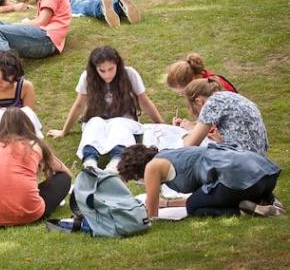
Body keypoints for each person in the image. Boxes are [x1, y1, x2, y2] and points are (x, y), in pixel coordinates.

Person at [48, 46, 164, 171]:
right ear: (95, 68)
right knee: (93, 124)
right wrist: (64, 131)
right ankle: (90, 162)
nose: (107, 74)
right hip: (97, 117)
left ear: (117, 64)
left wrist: (161, 124)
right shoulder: (87, 77)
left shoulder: (130, 74)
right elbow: (79, 105)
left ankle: (116, 161)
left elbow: (144, 101)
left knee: (119, 127)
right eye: (102, 71)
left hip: (124, 118)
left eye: (111, 69)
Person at [117, 144, 284, 218]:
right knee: (199, 200)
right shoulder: (169, 155)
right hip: (264, 175)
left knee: (194, 209)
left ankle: (241, 211)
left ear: (139, 171)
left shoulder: (152, 167)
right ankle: (268, 200)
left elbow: (151, 214)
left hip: (238, 181)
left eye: (137, 180)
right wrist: (167, 204)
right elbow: (202, 195)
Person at [176, 78, 268, 156]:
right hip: (257, 158)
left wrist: (182, 132)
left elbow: (189, 145)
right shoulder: (230, 96)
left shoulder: (211, 103)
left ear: (198, 101)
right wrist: (193, 127)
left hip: (242, 161)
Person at [166, 53, 238, 94]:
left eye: (183, 93)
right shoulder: (202, 83)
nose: (184, 95)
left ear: (193, 80)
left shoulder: (213, 89)